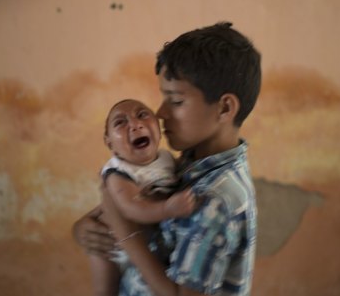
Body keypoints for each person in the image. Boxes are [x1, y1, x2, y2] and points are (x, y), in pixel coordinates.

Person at [73, 21, 261, 296]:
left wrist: (127, 236)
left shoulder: (215, 200)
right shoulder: (188, 162)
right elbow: (126, 207)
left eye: (175, 101)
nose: (160, 113)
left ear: (224, 108)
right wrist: (83, 229)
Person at [87, 99, 196, 296]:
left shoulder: (166, 159)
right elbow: (131, 207)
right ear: (109, 142)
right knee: (105, 290)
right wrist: (167, 209)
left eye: (143, 115)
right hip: (112, 245)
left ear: (158, 126)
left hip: (143, 243)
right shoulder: (117, 172)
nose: (135, 124)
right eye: (120, 122)